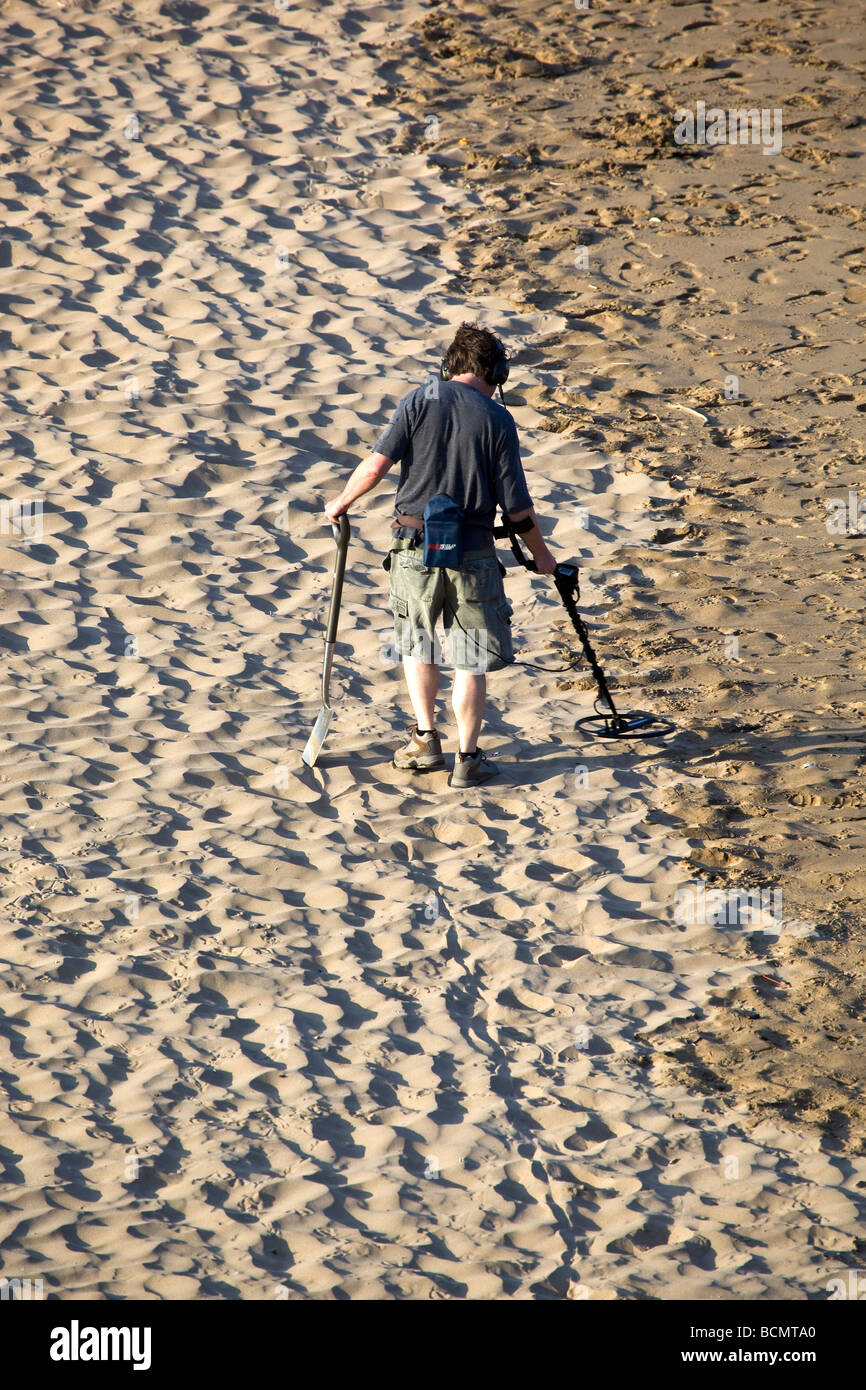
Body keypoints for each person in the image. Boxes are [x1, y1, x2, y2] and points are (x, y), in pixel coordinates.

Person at [325, 322, 555, 788]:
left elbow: (375, 466)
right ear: (498, 372)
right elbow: (517, 510)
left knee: (419, 641)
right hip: (473, 552)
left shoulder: (419, 399)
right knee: (469, 657)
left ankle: (426, 742)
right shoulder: (498, 419)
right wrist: (544, 558)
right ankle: (468, 760)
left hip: (413, 549)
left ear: (449, 365)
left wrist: (340, 504)